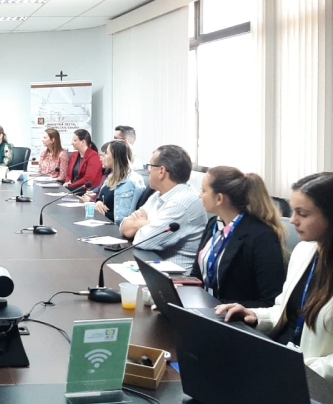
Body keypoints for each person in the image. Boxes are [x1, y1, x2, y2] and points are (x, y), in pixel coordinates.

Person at [217, 172, 333, 382]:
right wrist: (254, 315)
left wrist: (297, 369)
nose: (293, 220)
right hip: (280, 360)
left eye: (303, 214)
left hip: (312, 381)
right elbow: (284, 311)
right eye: (293, 211)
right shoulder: (303, 251)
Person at [189, 166, 286, 308]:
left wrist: (214, 306)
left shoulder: (261, 237)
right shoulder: (214, 224)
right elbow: (197, 275)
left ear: (219, 198)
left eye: (203, 190)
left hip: (233, 319)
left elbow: (269, 302)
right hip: (205, 310)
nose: (200, 195)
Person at [120, 145, 207, 271]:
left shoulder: (182, 202)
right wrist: (147, 224)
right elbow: (124, 226)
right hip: (153, 267)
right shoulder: (157, 195)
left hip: (176, 280)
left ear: (161, 171)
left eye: (150, 166)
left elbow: (143, 241)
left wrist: (139, 224)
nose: (148, 170)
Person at [86, 140, 146, 225]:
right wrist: (98, 202)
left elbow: (122, 219)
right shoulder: (111, 177)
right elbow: (102, 197)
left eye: (106, 154)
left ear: (116, 157)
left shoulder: (130, 182)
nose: (102, 157)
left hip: (114, 229)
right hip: (103, 223)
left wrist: (104, 213)